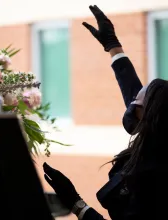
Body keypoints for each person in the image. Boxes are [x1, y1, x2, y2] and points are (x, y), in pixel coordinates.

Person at [43, 5, 168, 220]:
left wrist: (76, 203)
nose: (134, 99)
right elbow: (132, 90)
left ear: (148, 117)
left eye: (140, 99)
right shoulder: (157, 137)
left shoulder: (154, 178)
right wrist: (112, 45)